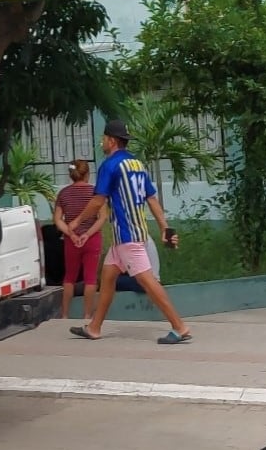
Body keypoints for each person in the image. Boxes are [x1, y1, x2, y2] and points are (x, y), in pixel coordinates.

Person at [67, 119, 192, 345]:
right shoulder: (136, 164)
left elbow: (97, 201)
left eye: (104, 138)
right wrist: (164, 226)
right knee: (108, 277)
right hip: (129, 235)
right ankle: (94, 327)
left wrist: (76, 222)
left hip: (127, 236)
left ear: (111, 141)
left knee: (148, 281)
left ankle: (179, 326)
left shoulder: (110, 165)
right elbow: (151, 198)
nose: (102, 142)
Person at [54, 159, 108, 320]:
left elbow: (58, 220)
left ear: (71, 175)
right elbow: (102, 217)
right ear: (88, 174)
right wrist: (87, 234)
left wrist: (72, 234)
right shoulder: (96, 193)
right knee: (90, 278)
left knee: (69, 277)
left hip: (71, 241)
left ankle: (64, 315)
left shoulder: (63, 193)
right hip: (91, 239)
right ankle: (87, 315)